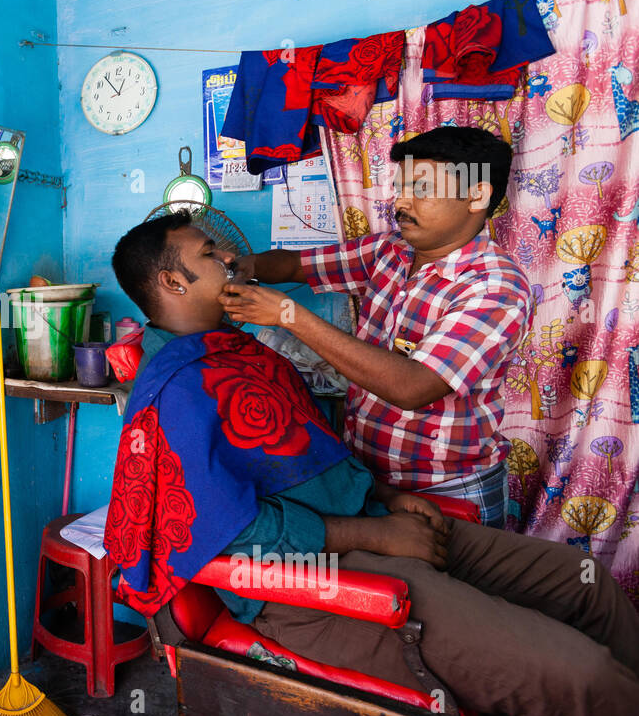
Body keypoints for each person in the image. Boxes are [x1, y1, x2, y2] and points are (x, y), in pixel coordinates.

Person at [105, 212, 639, 716]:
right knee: (585, 679)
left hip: (377, 521)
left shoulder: (242, 352)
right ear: (174, 283)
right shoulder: (173, 391)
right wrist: (376, 536)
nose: (229, 260)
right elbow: (233, 535)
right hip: (305, 582)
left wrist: (387, 497)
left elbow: (316, 454)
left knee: (588, 586)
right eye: (209, 254)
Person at [222, 126, 532, 526]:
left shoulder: (496, 286)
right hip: (370, 478)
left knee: (454, 588)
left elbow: (412, 387)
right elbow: (297, 265)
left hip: (446, 487)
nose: (400, 202)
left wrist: (288, 315)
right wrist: (250, 266)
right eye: (401, 187)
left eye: (421, 189)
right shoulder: (391, 251)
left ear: (477, 195)